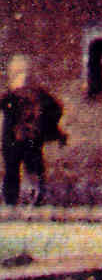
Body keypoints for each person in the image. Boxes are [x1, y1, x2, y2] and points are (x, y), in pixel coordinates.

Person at [2, 55, 64, 207]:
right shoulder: (35, 95)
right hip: (26, 137)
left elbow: (55, 109)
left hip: (20, 137)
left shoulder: (15, 96)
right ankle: (30, 198)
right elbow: (56, 109)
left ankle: (19, 200)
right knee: (27, 168)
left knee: (20, 169)